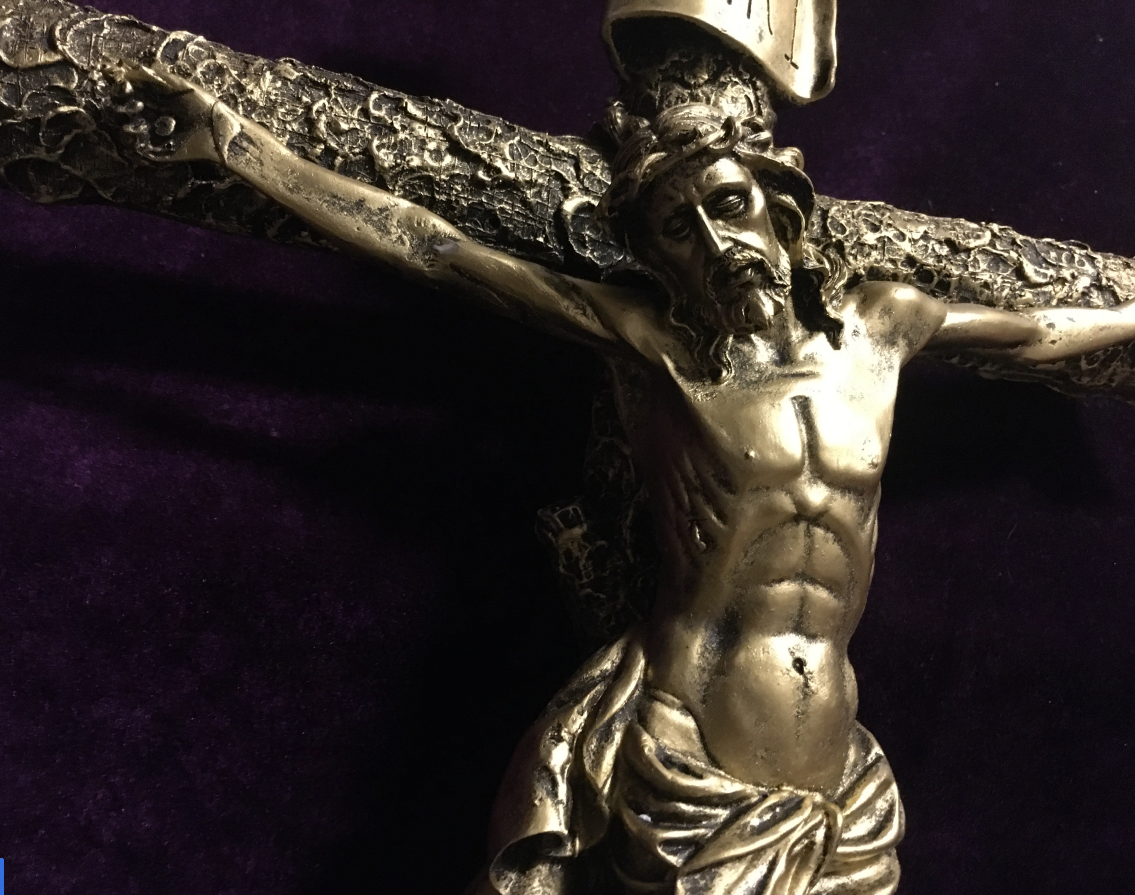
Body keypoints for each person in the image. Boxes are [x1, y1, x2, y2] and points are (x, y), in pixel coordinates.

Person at [124, 66, 1135, 895]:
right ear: (656, 254)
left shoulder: (882, 327)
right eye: (679, 228)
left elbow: (1039, 333)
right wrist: (239, 147)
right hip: (684, 753)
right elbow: (437, 250)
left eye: (729, 204)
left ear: (780, 205)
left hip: (835, 772)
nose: (717, 242)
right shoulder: (655, 346)